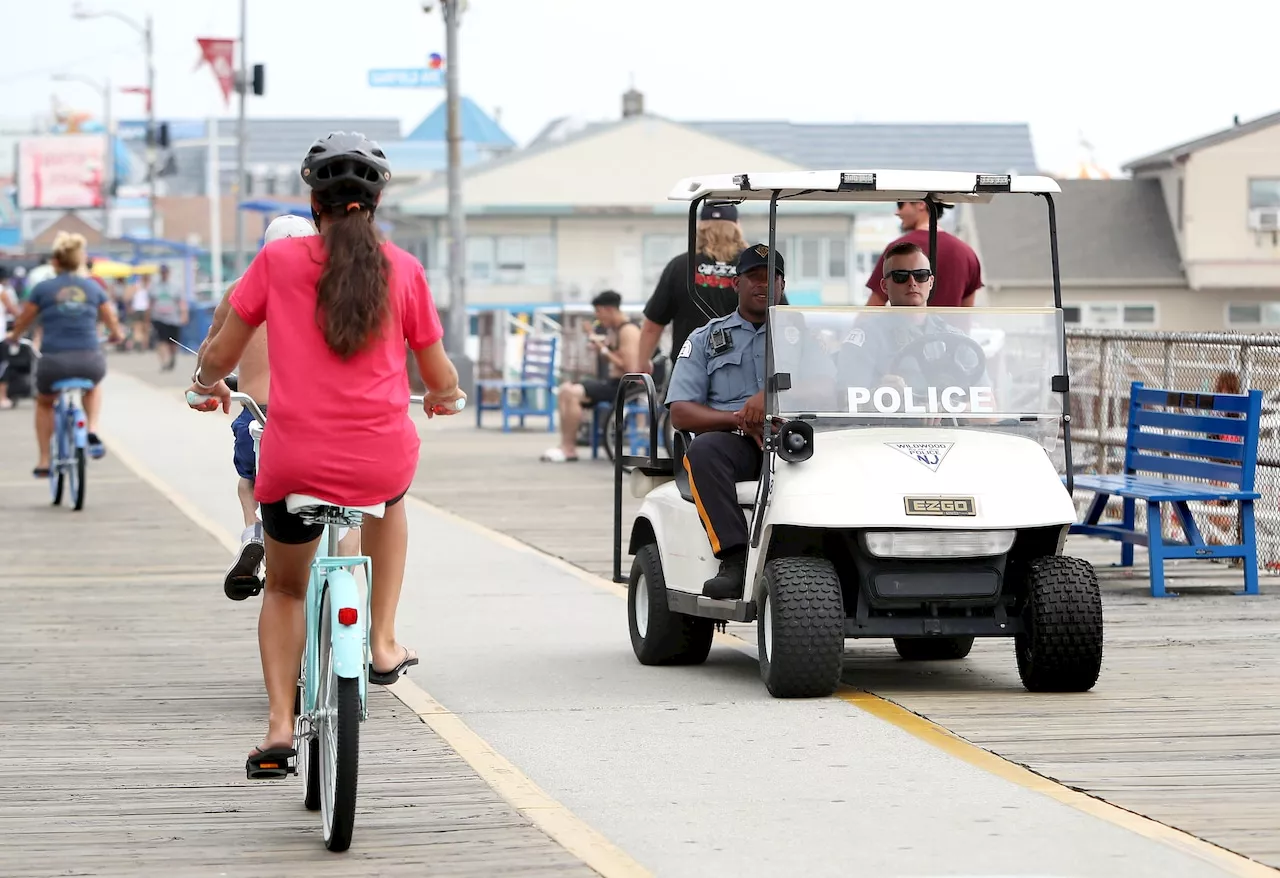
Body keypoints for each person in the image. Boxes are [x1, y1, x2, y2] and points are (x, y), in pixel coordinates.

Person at [186, 131, 467, 777]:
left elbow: (224, 352)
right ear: (376, 202)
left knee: (284, 588)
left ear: (313, 199)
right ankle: (384, 641)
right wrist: (446, 395)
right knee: (391, 503)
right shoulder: (404, 268)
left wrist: (205, 386)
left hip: (294, 459)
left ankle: (280, 727)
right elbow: (435, 367)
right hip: (380, 454)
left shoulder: (278, 264)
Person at [665, 243, 831, 599]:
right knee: (704, 451)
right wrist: (739, 419)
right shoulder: (707, 338)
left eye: (771, 277)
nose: (763, 285)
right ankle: (735, 560)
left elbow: (828, 388)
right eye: (753, 277)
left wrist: (769, 397)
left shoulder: (802, 334)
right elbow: (681, 411)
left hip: (795, 440)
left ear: (782, 285)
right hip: (737, 442)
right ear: (736, 284)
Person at [197, 213, 333, 601]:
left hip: (262, 416)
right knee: (346, 505)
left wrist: (206, 384)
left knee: (251, 483)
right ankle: (348, 576)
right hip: (328, 421)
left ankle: (253, 532)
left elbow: (212, 350)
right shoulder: (336, 289)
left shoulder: (244, 288)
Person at [4, 232, 125, 474]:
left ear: (55, 261)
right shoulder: (93, 287)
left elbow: (23, 321)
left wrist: (14, 337)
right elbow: (112, 320)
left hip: (54, 360)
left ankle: (44, 461)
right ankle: (91, 429)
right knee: (92, 385)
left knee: (45, 403)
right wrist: (116, 336)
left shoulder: (42, 289)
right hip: (89, 359)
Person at [839, 241, 990, 417]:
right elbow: (844, 404)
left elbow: (989, 408)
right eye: (900, 276)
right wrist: (878, 397)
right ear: (884, 286)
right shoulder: (867, 337)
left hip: (951, 435)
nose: (912, 282)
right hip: (887, 435)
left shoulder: (956, 339)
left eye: (921, 275)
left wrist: (950, 409)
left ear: (931, 282)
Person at [637, 202, 746, 374]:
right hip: (742, 369)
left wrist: (643, 363)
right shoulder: (755, 269)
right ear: (736, 228)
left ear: (700, 229)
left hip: (689, 370)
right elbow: (780, 320)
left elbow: (653, 324)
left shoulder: (680, 266)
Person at [540, 289, 641, 462]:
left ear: (609, 310)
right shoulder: (615, 330)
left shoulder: (628, 331)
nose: (598, 317)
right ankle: (565, 445)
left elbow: (630, 367)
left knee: (571, 393)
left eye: (599, 312)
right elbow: (618, 356)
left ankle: (569, 448)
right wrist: (604, 347)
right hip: (612, 384)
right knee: (565, 389)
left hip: (623, 388)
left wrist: (602, 348)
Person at [865, 201, 983, 308]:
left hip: (904, 331)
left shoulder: (896, 253)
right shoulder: (967, 254)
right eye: (900, 276)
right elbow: (966, 318)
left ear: (921, 204)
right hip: (949, 331)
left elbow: (872, 309)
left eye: (901, 204)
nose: (897, 212)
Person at [149, 265, 188, 372]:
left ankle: (172, 357)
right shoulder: (154, 287)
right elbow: (150, 303)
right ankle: (164, 362)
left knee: (172, 342)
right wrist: (148, 318)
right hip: (159, 318)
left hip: (173, 319)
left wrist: (184, 314)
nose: (164, 274)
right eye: (162, 272)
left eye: (165, 272)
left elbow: (181, 302)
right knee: (161, 341)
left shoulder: (175, 287)